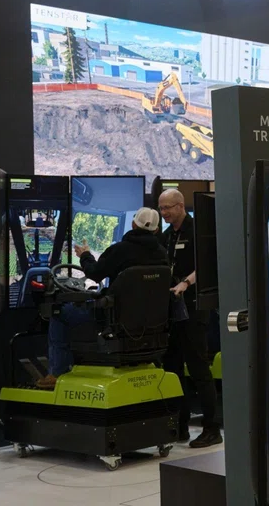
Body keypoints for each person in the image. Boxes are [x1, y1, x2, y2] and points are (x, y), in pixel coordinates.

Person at [38, 208, 168, 390]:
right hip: (149, 323)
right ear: (155, 230)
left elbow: (95, 273)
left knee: (60, 313)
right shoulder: (162, 253)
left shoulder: (120, 250)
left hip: (113, 318)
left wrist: (85, 255)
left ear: (133, 224)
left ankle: (57, 372)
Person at [158, 188, 221, 448]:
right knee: (172, 370)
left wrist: (186, 283)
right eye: (161, 209)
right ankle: (180, 426)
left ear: (181, 206)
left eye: (168, 208)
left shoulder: (198, 231)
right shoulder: (165, 237)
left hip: (194, 308)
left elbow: (206, 265)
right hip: (172, 312)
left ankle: (211, 428)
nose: (164, 213)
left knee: (198, 370)